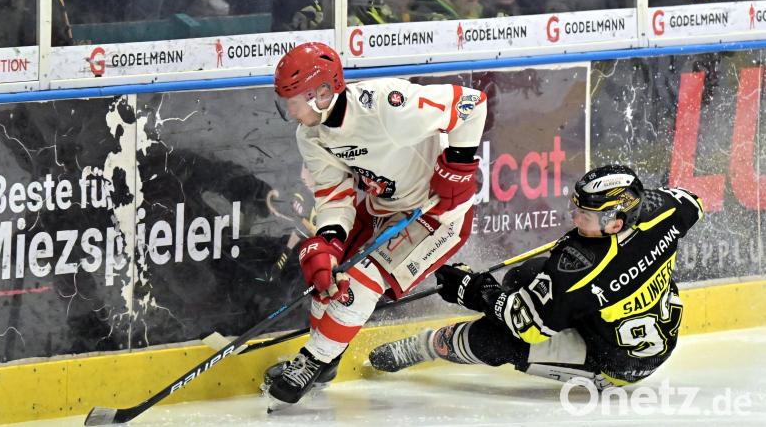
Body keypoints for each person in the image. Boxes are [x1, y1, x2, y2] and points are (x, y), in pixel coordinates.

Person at [265, 42, 487, 407]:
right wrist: (330, 241)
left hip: (436, 214)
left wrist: (458, 167)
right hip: (382, 207)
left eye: (294, 100)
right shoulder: (311, 135)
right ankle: (326, 359)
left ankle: (313, 359)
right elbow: (334, 195)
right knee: (326, 275)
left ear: (323, 93)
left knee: (361, 281)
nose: (290, 110)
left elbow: (471, 104)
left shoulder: (387, 106)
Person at [369, 165, 704, 390]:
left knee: (495, 338)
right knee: (527, 276)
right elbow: (694, 203)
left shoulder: (578, 270)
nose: (575, 218)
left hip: (615, 362)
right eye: (578, 208)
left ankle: (424, 346)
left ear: (615, 223)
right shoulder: (664, 210)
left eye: (585, 215)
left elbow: (524, 324)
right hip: (638, 325)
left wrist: (471, 290)